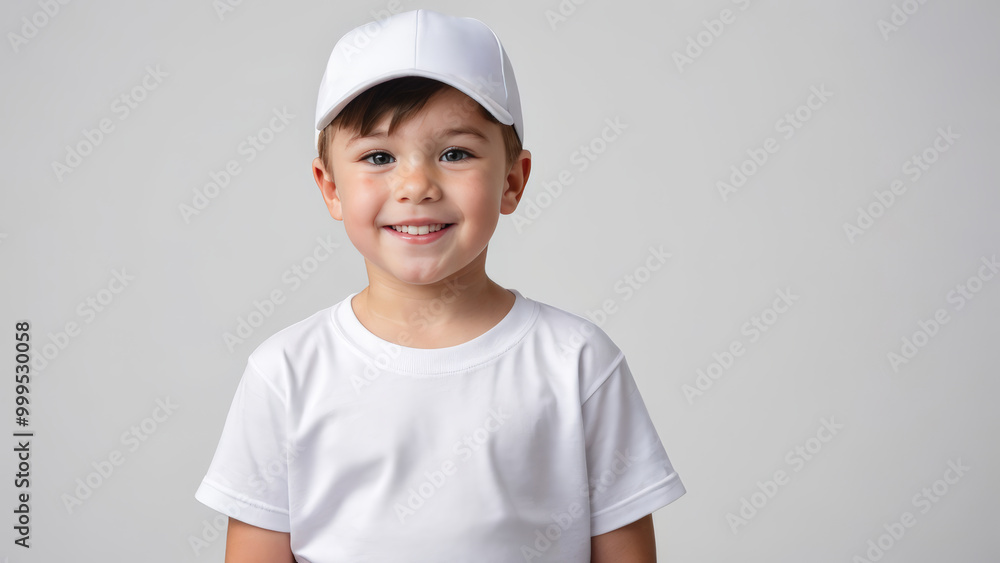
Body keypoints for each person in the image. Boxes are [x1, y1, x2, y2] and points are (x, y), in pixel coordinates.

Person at [194, 9, 685, 562]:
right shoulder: (285, 372)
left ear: (513, 180)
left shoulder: (579, 363)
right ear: (330, 187)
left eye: (455, 153)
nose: (416, 185)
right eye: (378, 156)